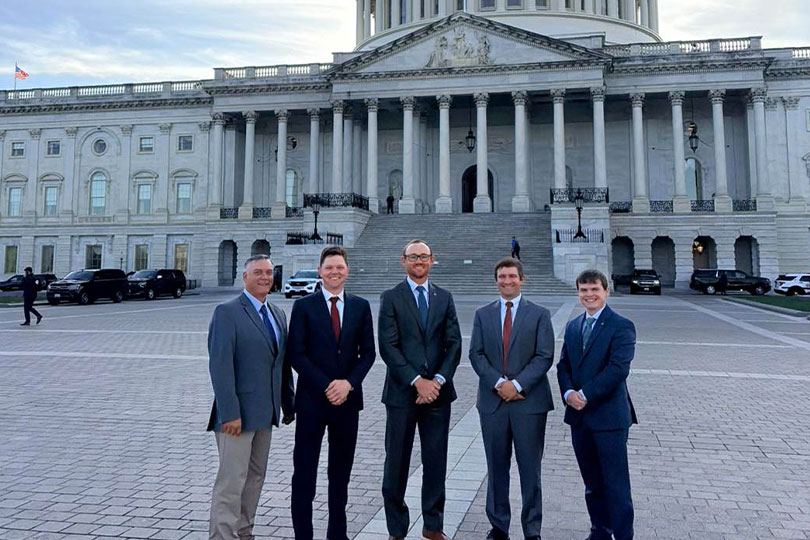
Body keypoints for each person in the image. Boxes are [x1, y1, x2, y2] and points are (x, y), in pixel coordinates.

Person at [288, 246, 376, 540]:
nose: (334, 272)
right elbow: (296, 354)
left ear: (346, 271)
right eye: (329, 268)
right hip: (312, 402)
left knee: (340, 475)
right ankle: (303, 535)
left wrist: (348, 384)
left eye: (339, 267)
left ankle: (337, 534)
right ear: (320, 271)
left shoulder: (361, 306)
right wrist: (327, 385)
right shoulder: (304, 307)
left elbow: (368, 353)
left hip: (347, 404)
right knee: (305, 474)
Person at [207, 254, 295, 540]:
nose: (265, 277)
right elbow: (220, 366)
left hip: (265, 413)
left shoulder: (277, 313)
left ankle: (244, 532)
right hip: (237, 416)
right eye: (258, 272)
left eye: (269, 272)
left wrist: (287, 402)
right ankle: (222, 536)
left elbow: (281, 363)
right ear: (245, 277)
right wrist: (229, 412)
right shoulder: (227, 312)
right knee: (232, 481)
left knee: (255, 478)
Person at [378, 240, 462, 540]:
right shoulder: (391, 297)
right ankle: (396, 528)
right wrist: (417, 381)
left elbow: (454, 344)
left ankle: (433, 525)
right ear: (403, 261)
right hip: (402, 393)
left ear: (432, 260)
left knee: (436, 461)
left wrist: (437, 381)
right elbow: (388, 346)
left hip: (438, 395)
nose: (419, 261)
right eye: (413, 257)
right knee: (396, 461)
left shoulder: (444, 297)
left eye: (424, 257)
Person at [469, 258, 555, 540]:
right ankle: (499, 527)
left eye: (512, 276)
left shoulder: (539, 314)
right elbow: (476, 354)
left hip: (529, 403)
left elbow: (544, 356)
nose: (507, 281)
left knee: (530, 469)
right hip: (493, 403)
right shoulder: (483, 314)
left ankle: (532, 529)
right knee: (496, 468)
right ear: (496, 280)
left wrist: (517, 384)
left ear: (522, 279)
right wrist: (499, 384)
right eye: (502, 277)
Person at [556, 269, 637, 540]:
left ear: (606, 292)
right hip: (579, 418)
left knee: (616, 485)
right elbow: (564, 365)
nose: (589, 295)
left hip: (609, 418)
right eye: (584, 290)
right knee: (592, 482)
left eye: (594, 290)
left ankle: (623, 535)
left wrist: (585, 394)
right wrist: (568, 393)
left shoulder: (621, 325)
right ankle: (599, 530)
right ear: (578, 293)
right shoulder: (573, 326)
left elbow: (618, 369)